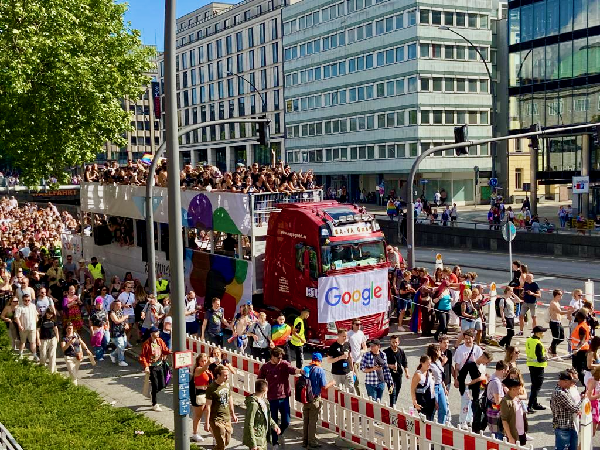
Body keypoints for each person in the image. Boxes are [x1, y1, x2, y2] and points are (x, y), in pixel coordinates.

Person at [258, 347, 302, 447]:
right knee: (273, 421)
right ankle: (275, 442)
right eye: (278, 357)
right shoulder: (265, 367)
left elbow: (292, 369)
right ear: (272, 356)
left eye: (281, 357)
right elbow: (260, 380)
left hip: (284, 397)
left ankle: (280, 432)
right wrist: (260, 393)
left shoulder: (284, 364)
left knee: (286, 421)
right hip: (272, 398)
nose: (280, 359)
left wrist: (300, 371)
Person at [302, 352, 334, 449]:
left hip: (306, 398)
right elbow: (324, 386)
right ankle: (311, 442)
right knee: (312, 422)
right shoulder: (320, 370)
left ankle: (305, 441)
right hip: (314, 399)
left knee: (306, 421)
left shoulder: (306, 368)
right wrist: (332, 383)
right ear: (320, 361)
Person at [205, 364, 238, 450]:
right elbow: (208, 406)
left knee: (227, 441)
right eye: (225, 375)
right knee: (221, 443)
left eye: (227, 375)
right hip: (216, 419)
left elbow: (230, 399)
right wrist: (207, 422)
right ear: (218, 375)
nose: (227, 377)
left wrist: (233, 414)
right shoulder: (211, 388)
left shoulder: (226, 384)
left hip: (226, 418)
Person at [139, 326, 170, 412]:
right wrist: (146, 366)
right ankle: (154, 403)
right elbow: (143, 356)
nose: (158, 333)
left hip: (160, 364)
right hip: (152, 367)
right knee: (155, 385)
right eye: (156, 332)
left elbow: (165, 350)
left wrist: (171, 351)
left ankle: (153, 393)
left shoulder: (159, 341)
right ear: (152, 334)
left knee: (163, 384)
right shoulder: (146, 344)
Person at [243, 379, 281, 450]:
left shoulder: (264, 401)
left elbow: (267, 416)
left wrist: (274, 425)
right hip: (256, 437)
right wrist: (253, 443)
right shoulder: (254, 404)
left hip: (263, 436)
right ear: (265, 390)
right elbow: (249, 423)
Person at [550, 371, 583, 450]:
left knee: (573, 447)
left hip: (570, 425)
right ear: (565, 381)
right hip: (563, 426)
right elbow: (573, 408)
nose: (572, 384)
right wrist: (583, 399)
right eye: (571, 382)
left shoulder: (564, 389)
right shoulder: (560, 393)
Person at [525, 325, 548, 413]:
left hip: (531, 365)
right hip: (538, 367)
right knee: (536, 387)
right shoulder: (538, 343)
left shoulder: (529, 340)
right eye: (542, 333)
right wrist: (546, 358)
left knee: (534, 385)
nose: (543, 334)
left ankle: (534, 404)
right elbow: (540, 359)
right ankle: (530, 406)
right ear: (537, 333)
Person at [61, 321, 92, 385]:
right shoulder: (64, 338)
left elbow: (82, 342)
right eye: (68, 328)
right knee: (73, 374)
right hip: (69, 357)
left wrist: (87, 350)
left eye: (71, 328)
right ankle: (75, 387)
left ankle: (70, 384)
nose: (70, 330)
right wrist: (69, 342)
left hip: (77, 357)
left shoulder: (76, 335)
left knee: (74, 373)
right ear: (66, 329)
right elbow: (63, 348)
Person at [190, 353, 212, 443]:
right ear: (198, 362)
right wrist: (208, 363)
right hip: (199, 393)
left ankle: (211, 431)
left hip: (207, 392)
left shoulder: (207, 370)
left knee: (209, 412)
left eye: (205, 361)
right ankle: (195, 433)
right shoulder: (198, 369)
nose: (204, 362)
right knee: (198, 415)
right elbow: (203, 369)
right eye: (202, 361)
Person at [500, 377, 527, 445]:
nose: (520, 391)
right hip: (514, 434)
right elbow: (504, 421)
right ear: (513, 389)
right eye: (518, 389)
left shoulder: (517, 398)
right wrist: (510, 437)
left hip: (521, 432)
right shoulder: (505, 401)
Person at [327, 328, 355, 394]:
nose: (345, 338)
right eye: (343, 336)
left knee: (351, 389)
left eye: (346, 336)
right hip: (337, 373)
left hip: (348, 371)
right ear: (338, 336)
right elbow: (329, 360)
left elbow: (350, 357)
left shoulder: (347, 344)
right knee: (339, 391)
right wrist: (340, 357)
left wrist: (352, 369)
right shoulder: (333, 347)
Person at [426, 343, 448, 424]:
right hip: (433, 387)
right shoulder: (429, 365)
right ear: (435, 352)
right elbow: (430, 380)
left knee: (444, 409)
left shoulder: (438, 361)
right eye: (439, 350)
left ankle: (441, 425)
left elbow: (440, 375)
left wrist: (444, 387)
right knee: (433, 409)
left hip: (440, 386)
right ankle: (429, 425)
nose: (440, 352)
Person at [385, 335, 409, 408]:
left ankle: (393, 405)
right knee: (393, 392)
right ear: (390, 342)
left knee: (397, 391)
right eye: (393, 342)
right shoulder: (386, 352)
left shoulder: (401, 351)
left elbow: (405, 363)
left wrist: (407, 373)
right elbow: (382, 363)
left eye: (396, 342)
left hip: (398, 375)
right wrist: (390, 366)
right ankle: (393, 407)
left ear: (398, 342)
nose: (394, 344)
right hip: (389, 375)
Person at [487, 361, 508, 440]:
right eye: (506, 371)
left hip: (491, 410)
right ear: (503, 370)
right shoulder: (496, 382)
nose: (506, 373)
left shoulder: (493, 377)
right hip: (495, 412)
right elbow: (497, 401)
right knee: (498, 436)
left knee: (495, 435)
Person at [410, 355, 436, 421]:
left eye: (430, 363)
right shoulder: (418, 375)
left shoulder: (430, 372)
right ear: (422, 363)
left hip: (431, 399)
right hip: (421, 400)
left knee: (431, 420)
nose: (429, 365)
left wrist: (435, 400)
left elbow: (432, 387)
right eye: (428, 363)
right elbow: (413, 389)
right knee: (423, 421)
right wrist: (415, 402)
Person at [14, 293, 38, 360]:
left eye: (28, 300)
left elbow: (35, 314)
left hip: (32, 327)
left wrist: (36, 320)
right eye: (25, 300)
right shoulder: (19, 307)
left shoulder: (33, 306)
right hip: (23, 328)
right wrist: (19, 325)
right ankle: (20, 354)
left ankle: (35, 355)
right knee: (22, 342)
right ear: (23, 300)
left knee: (33, 342)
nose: (27, 301)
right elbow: (16, 317)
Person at [571, 310, 591, 386]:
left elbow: (582, 340)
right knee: (577, 369)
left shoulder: (582, 327)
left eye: (576, 315)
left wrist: (577, 349)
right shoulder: (582, 325)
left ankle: (586, 386)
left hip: (581, 351)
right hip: (580, 350)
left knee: (580, 370)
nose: (575, 316)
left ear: (580, 317)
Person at [347, 319, 367, 395]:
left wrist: (363, 351)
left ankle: (352, 393)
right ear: (352, 325)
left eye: (360, 324)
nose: (359, 326)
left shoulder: (361, 333)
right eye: (357, 324)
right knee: (356, 379)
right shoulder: (349, 334)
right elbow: (345, 346)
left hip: (358, 360)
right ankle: (358, 395)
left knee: (354, 378)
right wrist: (348, 354)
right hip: (352, 360)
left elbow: (364, 346)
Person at [37, 308, 59, 373]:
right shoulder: (41, 320)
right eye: (49, 314)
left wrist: (57, 337)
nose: (50, 315)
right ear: (46, 313)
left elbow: (55, 329)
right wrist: (38, 339)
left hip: (52, 339)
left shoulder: (53, 320)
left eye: (51, 314)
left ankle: (51, 371)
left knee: (52, 355)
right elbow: (37, 330)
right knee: (43, 355)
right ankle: (42, 368)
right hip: (43, 340)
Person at [109, 299, 129, 367]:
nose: (119, 306)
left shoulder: (121, 311)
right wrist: (125, 317)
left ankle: (113, 354)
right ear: (114, 305)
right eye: (118, 305)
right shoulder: (112, 313)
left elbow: (125, 320)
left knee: (124, 345)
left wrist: (126, 324)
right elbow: (116, 321)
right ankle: (121, 361)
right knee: (121, 346)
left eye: (120, 304)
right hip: (116, 332)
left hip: (122, 331)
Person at [117, 281, 136, 346]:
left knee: (130, 327)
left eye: (131, 287)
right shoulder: (122, 294)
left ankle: (126, 341)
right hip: (124, 313)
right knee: (125, 328)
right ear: (125, 287)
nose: (129, 288)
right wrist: (124, 305)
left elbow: (134, 304)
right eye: (128, 287)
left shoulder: (132, 295)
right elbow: (117, 303)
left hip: (131, 313)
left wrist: (133, 304)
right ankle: (123, 340)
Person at [549, 289, 565, 357]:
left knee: (561, 338)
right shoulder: (553, 303)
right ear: (557, 295)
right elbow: (560, 312)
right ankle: (554, 353)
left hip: (559, 322)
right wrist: (569, 312)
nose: (561, 296)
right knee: (556, 338)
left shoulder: (557, 302)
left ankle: (551, 348)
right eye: (560, 294)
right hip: (554, 323)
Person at [587, 366, 600, 436]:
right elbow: (589, 397)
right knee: (591, 432)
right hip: (593, 405)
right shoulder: (592, 381)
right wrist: (598, 396)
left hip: (598, 405)